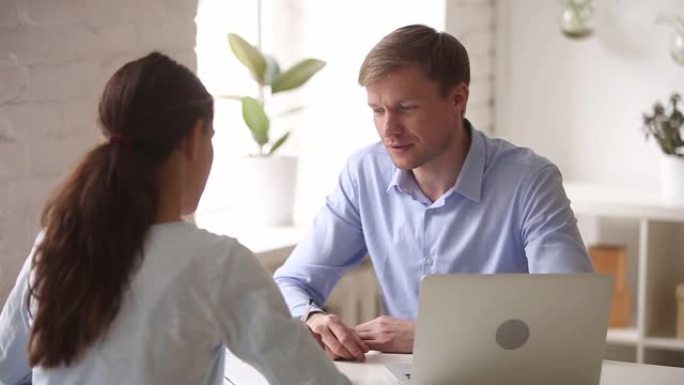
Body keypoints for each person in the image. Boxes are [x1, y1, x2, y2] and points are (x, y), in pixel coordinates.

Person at [0, 52, 350, 385]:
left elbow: (5, 366)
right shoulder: (217, 263)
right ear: (194, 138)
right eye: (212, 137)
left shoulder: (55, 244)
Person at [273, 24, 594, 362]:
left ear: (458, 98)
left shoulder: (530, 182)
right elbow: (290, 282)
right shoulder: (364, 174)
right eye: (377, 111)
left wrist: (432, 334)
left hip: (504, 371)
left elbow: (571, 316)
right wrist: (312, 318)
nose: (388, 129)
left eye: (406, 108)